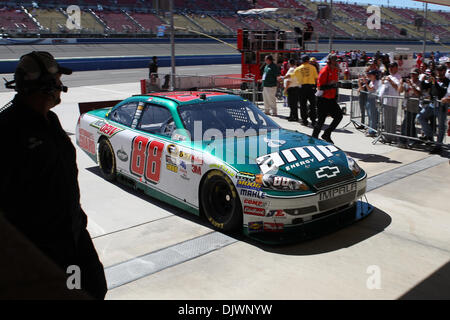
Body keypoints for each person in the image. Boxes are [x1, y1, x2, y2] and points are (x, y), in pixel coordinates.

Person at [0, 51, 107, 299]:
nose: (61, 86)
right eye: (58, 80)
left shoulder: (51, 120)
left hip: (72, 236)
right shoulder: (7, 131)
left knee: (93, 288)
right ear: (46, 86)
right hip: (41, 250)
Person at [417, 65, 449, 154]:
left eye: (440, 70)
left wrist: (435, 83)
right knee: (420, 116)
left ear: (444, 71)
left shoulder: (447, 81)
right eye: (437, 70)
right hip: (432, 104)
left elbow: (442, 92)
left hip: (441, 105)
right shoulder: (435, 79)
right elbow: (425, 87)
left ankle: (438, 146)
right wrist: (423, 80)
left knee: (441, 126)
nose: (438, 72)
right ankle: (430, 135)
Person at [312, 54, 342, 144]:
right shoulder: (324, 71)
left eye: (337, 60)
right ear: (330, 61)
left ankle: (327, 133)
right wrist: (332, 85)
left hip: (331, 99)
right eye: (335, 60)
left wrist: (336, 87)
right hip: (323, 99)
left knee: (339, 116)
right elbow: (320, 87)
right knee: (321, 120)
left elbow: (335, 84)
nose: (337, 62)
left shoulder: (335, 70)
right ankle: (314, 139)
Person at [289, 55, 318, 126]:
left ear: (302, 61)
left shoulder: (298, 68)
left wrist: (283, 77)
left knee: (303, 105)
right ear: (308, 60)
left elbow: (292, 75)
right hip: (311, 88)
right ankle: (313, 120)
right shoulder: (313, 67)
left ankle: (304, 120)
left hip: (302, 88)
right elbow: (316, 78)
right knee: (312, 104)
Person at [398, 68, 421, 148]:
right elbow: (400, 91)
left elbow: (418, 93)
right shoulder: (407, 82)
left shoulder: (419, 83)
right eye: (412, 74)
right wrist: (401, 84)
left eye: (415, 74)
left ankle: (403, 140)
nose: (413, 75)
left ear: (418, 75)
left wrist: (412, 85)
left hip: (414, 106)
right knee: (409, 123)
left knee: (406, 123)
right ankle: (413, 140)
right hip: (406, 105)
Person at [378, 62, 401, 143]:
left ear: (396, 68)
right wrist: (383, 81)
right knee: (386, 120)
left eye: (392, 67)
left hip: (393, 101)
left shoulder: (398, 77)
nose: (390, 69)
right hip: (385, 101)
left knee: (392, 121)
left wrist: (390, 81)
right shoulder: (388, 76)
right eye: (389, 67)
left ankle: (392, 137)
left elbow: (398, 88)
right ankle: (387, 136)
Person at [365, 70, 382, 137]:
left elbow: (370, 89)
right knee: (370, 115)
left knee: (373, 116)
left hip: (374, 99)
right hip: (370, 99)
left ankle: (372, 131)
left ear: (374, 75)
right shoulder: (371, 82)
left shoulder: (377, 82)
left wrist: (366, 83)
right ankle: (371, 129)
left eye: (371, 74)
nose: (369, 76)